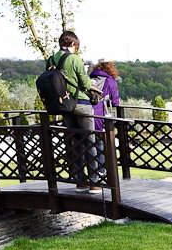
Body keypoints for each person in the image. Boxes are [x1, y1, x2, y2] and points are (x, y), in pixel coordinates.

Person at [48, 31, 99, 193]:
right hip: (81, 103)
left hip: (63, 105)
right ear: (72, 44)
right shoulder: (74, 59)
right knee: (89, 140)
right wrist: (94, 87)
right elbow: (84, 82)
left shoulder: (51, 59)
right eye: (76, 46)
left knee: (75, 142)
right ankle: (94, 181)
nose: (77, 49)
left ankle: (80, 181)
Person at [89, 61, 122, 190]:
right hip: (99, 115)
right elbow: (115, 101)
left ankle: (88, 178)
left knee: (88, 144)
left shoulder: (91, 78)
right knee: (100, 144)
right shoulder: (109, 80)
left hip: (86, 113)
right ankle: (101, 173)